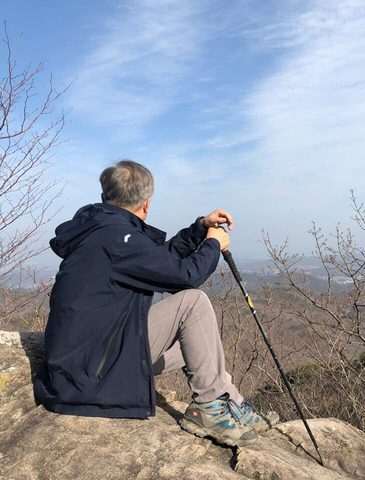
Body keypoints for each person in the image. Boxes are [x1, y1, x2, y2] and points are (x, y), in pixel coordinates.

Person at [34, 160, 277, 447]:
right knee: (193, 304)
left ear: (105, 197)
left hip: (84, 363)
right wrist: (214, 244)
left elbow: (158, 259)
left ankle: (231, 402)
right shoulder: (119, 240)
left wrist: (200, 229)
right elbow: (186, 275)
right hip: (92, 373)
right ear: (146, 203)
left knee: (200, 345)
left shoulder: (104, 234)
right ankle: (210, 407)